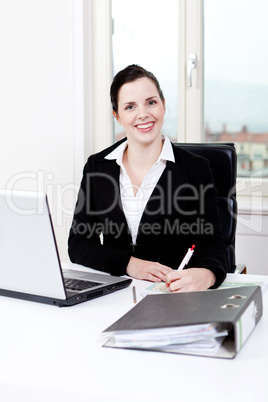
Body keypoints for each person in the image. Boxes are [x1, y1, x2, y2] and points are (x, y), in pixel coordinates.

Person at [68, 64, 228, 292]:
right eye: (130, 106)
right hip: (116, 293)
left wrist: (208, 274)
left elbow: (212, 244)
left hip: (172, 294)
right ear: (117, 116)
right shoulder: (98, 167)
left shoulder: (195, 168)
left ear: (163, 105)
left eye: (151, 102)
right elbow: (79, 244)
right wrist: (129, 264)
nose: (143, 114)